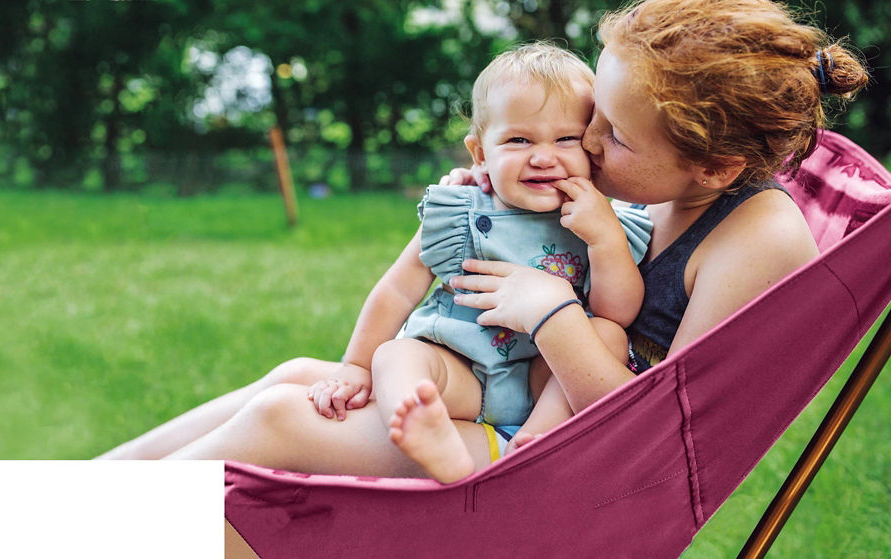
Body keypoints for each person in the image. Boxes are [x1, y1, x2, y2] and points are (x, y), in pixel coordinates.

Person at [98, 0, 867, 486]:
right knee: (300, 373)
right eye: (588, 118)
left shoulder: (760, 234)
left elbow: (659, 441)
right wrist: (494, 188)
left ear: (718, 165)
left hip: (551, 459)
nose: (585, 147)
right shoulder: (655, 187)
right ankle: (74, 490)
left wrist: (551, 314)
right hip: (501, 391)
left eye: (611, 133)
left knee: (281, 418)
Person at [298, 42, 651, 483]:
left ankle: (536, 440)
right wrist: (355, 364)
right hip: (457, 369)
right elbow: (398, 289)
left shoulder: (602, 218)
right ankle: (423, 429)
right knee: (396, 356)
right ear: (480, 152)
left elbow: (618, 311)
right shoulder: (460, 212)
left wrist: (605, 239)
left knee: (607, 334)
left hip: (548, 377)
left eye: (566, 139)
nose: (543, 156)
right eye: (518, 140)